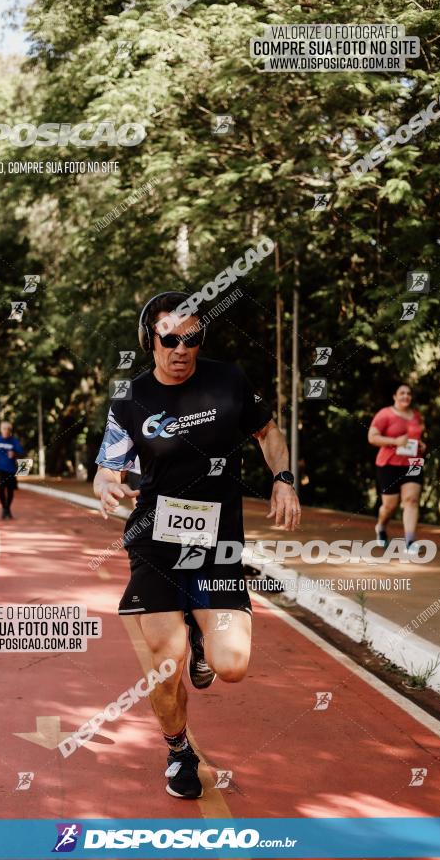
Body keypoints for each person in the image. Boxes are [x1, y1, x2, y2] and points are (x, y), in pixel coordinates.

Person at [93, 291, 301, 800]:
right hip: (155, 543)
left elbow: (268, 433)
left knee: (231, 667)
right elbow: (107, 465)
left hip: (218, 542)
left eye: (192, 338)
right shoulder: (130, 400)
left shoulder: (229, 380)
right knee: (167, 667)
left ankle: (205, 635)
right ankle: (178, 750)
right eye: (169, 339)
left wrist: (284, 478)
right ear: (150, 341)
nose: (181, 349)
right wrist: (105, 483)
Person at [368, 383, 426, 555]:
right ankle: (381, 526)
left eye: (408, 393)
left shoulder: (416, 416)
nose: (405, 396)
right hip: (389, 464)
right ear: (394, 396)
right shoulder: (385, 414)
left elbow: (417, 438)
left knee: (411, 500)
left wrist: (421, 445)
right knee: (389, 506)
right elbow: (372, 437)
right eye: (402, 393)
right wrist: (394, 442)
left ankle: (409, 542)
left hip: (414, 462)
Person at [0, 421, 24, 519]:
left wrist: (14, 454)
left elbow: (21, 452)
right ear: (1, 430)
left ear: (10, 431)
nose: (6, 431)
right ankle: (4, 508)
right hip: (0, 469)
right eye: (4, 429)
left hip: (11, 469)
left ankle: (7, 509)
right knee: (1, 490)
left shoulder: (14, 441)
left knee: (10, 491)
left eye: (8, 429)